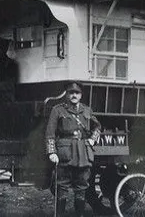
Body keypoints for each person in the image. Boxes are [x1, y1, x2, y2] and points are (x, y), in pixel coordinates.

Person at [45, 81, 101, 217]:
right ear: (66, 94)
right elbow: (50, 133)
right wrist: (52, 151)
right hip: (65, 153)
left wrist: (93, 139)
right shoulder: (57, 110)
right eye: (71, 93)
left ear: (81, 95)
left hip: (83, 153)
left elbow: (97, 126)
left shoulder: (87, 110)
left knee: (81, 187)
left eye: (77, 93)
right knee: (62, 187)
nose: (74, 95)